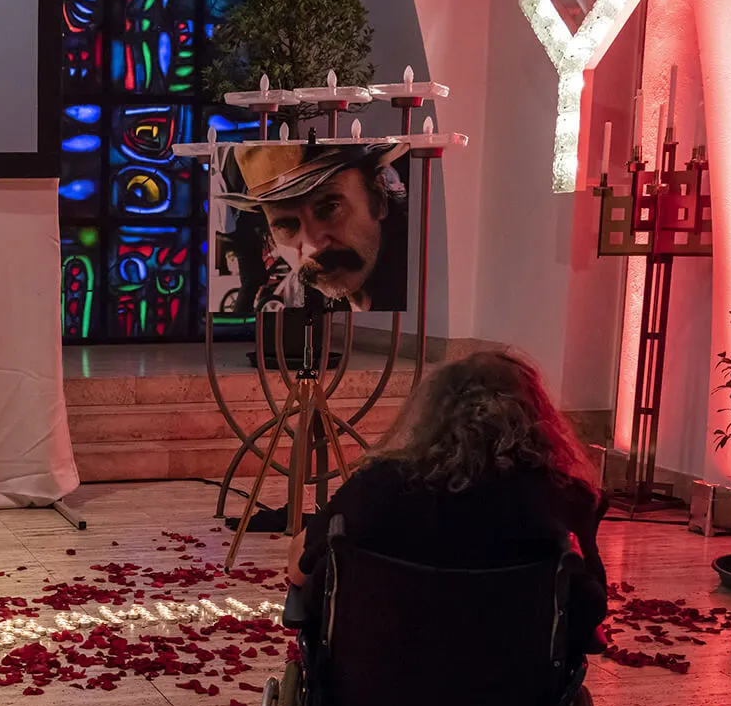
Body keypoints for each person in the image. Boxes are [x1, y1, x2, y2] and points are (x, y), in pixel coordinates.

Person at [287, 349, 608, 658]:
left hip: (378, 688)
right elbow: (590, 608)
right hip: (516, 697)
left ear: (429, 415)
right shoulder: (563, 496)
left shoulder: (376, 486)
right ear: (536, 419)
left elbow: (299, 573)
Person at [225, 141, 410, 313]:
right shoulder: (296, 298)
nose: (312, 246)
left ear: (378, 200)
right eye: (286, 225)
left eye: (330, 209)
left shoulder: (418, 286)